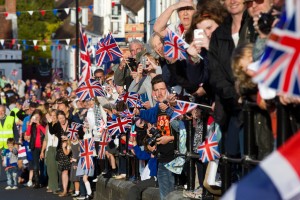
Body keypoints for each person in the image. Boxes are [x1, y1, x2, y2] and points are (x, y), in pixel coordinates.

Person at [133, 75, 177, 200]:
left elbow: (182, 128)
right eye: (156, 90)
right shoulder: (157, 107)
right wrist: (138, 112)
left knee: (174, 195)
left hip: (175, 159)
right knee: (164, 196)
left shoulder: (175, 106)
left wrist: (170, 138)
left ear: (168, 90)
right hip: (161, 158)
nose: (159, 93)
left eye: (162, 89)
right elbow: (149, 114)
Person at [25, 109, 46, 189]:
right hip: (34, 146)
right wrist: (30, 124)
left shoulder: (43, 124)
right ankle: (37, 182)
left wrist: (39, 124)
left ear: (40, 117)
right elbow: (27, 134)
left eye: (38, 117)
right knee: (35, 164)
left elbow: (45, 133)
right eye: (35, 117)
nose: (36, 118)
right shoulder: (32, 125)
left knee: (43, 164)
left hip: (42, 146)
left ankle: (43, 180)